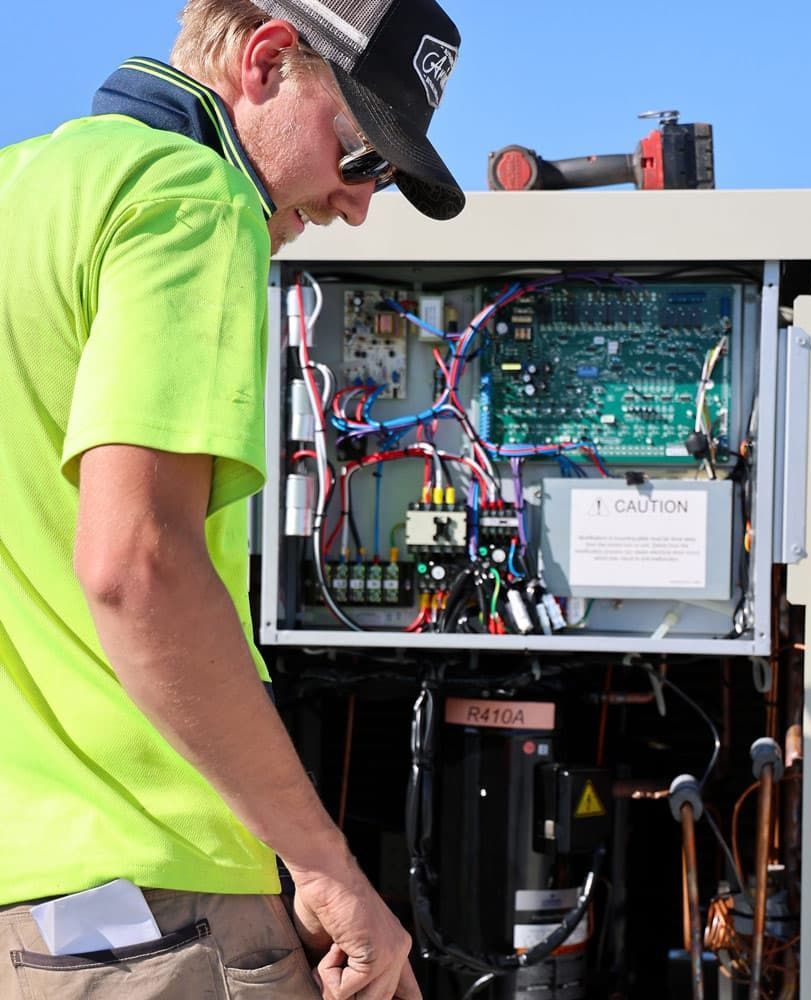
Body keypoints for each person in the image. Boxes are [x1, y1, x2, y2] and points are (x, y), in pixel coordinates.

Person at [0, 0, 464, 997]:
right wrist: (328, 870)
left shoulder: (19, 192)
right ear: (264, 63)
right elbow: (137, 566)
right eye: (361, 154)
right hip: (160, 902)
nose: (357, 205)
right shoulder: (191, 195)